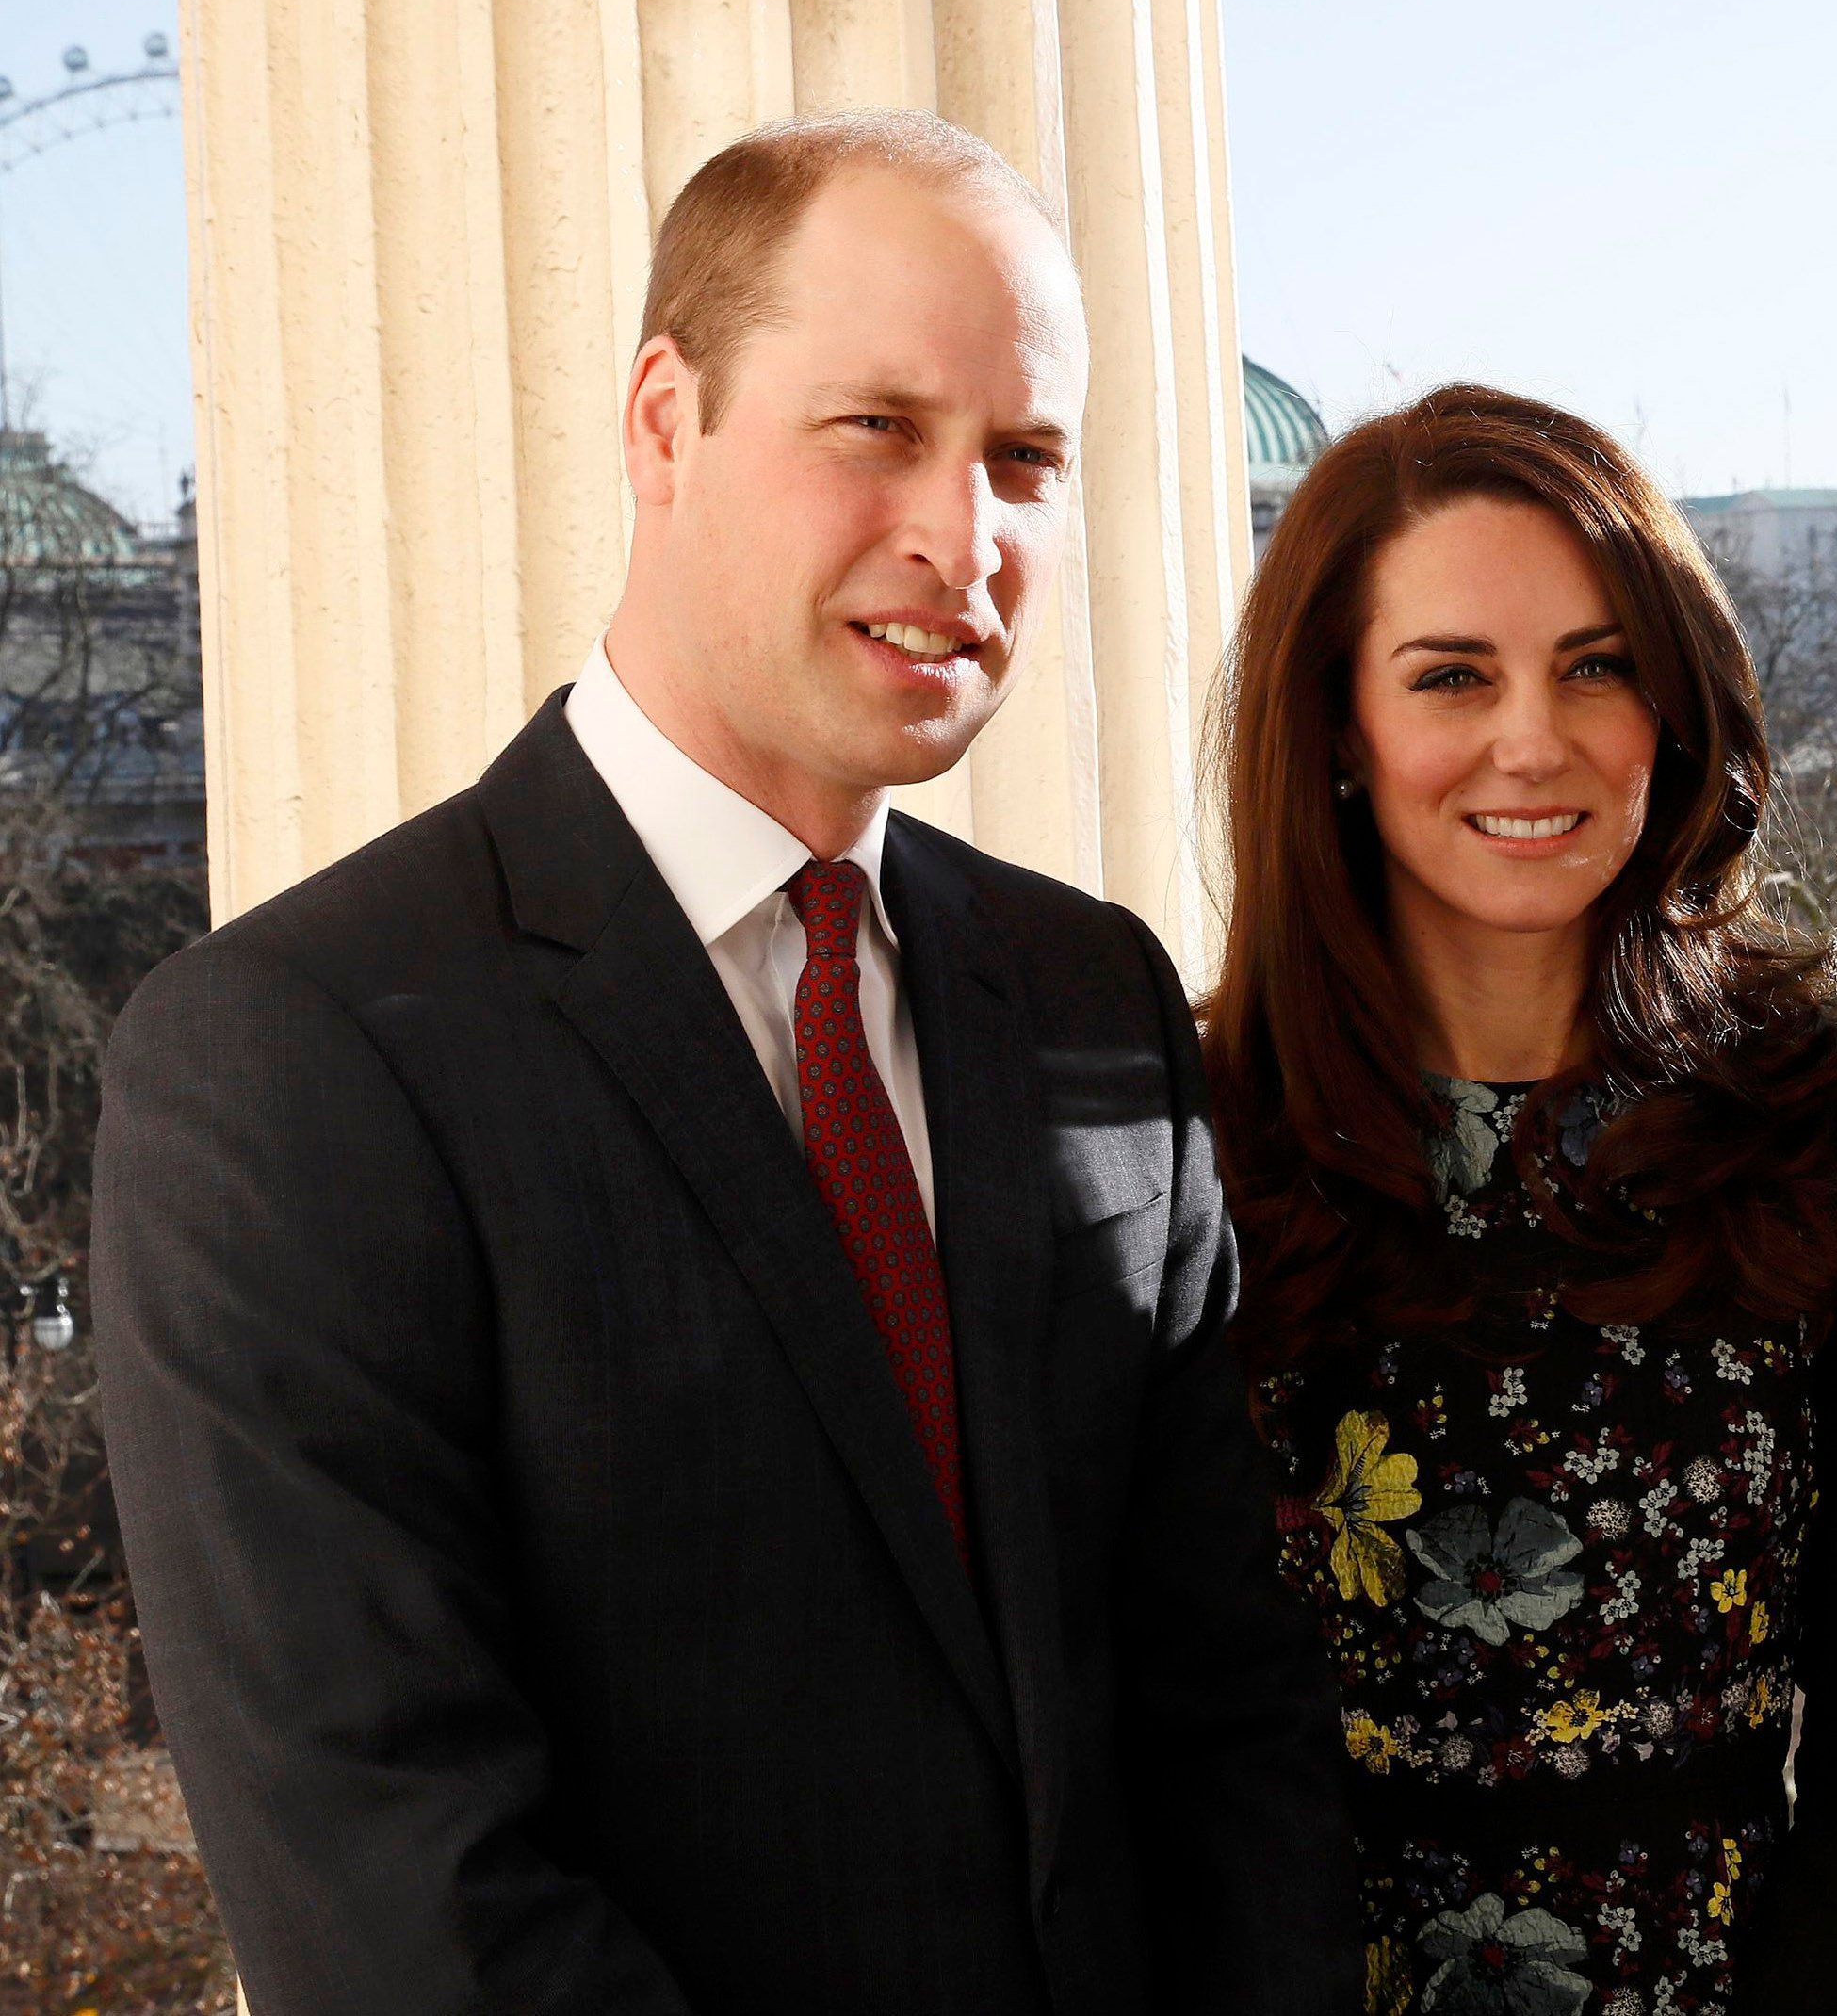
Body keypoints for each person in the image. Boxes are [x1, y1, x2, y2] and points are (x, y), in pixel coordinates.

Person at [91, 111, 1356, 2014]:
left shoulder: (1094, 1001)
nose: (966, 535)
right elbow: (399, 1890)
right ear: (663, 423)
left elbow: (1229, 1724)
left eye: (1024, 457)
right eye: (877, 429)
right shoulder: (293, 1060)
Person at [1201, 383, 1837, 2013]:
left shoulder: (1810, 1120)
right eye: (1452, 678)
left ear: (1673, 707)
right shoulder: (1197, 1142)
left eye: (1596, 665)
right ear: (1339, 724)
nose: (1532, 742)